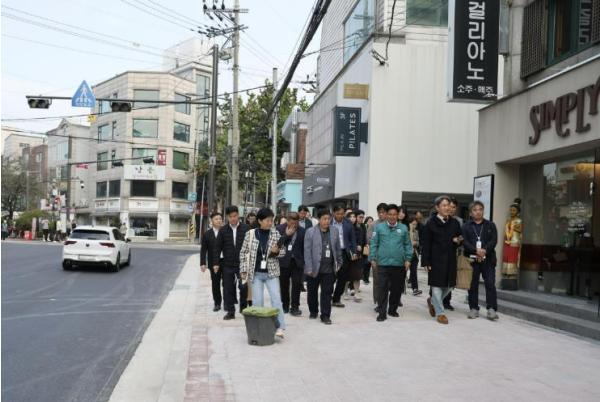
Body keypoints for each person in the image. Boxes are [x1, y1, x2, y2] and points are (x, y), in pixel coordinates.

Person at [239, 208, 286, 339]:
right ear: (260, 221)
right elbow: (243, 253)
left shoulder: (275, 234)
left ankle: (280, 327)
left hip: (272, 273)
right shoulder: (250, 234)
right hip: (256, 274)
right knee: (257, 301)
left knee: (276, 299)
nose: (270, 223)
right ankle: (259, 327)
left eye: (271, 220)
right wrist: (243, 270)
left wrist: (277, 251)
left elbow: (283, 252)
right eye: (267, 220)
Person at [421, 195, 463, 325]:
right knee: (436, 286)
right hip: (435, 259)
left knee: (450, 286)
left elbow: (460, 237)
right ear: (437, 207)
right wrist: (426, 261)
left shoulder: (455, 223)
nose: (447, 208)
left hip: (450, 259)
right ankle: (440, 313)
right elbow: (426, 244)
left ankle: (433, 301)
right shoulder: (430, 223)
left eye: (448, 205)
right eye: (444, 205)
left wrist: (458, 240)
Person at [369, 204, 413, 322]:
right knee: (382, 288)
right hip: (383, 263)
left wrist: (408, 259)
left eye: (394, 214)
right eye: (390, 214)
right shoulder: (379, 228)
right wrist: (373, 258)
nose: (392, 217)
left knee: (396, 289)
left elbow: (407, 245)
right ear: (386, 215)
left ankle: (392, 310)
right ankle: (382, 312)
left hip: (399, 264)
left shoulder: (403, 228)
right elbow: (374, 244)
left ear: (398, 215)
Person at [304, 209, 343, 325]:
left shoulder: (334, 231)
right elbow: (307, 251)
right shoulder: (310, 232)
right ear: (319, 219)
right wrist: (309, 267)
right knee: (312, 292)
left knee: (327, 293)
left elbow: (337, 248)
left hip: (329, 269)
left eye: (328, 219)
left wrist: (339, 262)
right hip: (314, 268)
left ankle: (325, 315)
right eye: (324, 219)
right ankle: (313, 311)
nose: (327, 221)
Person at [462, 201, 499, 320]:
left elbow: (494, 240)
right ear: (470, 213)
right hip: (472, 260)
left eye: (480, 209)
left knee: (490, 283)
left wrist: (484, 250)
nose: (478, 212)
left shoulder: (490, 225)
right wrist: (475, 250)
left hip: (488, 259)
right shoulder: (466, 226)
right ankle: (474, 308)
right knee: (472, 285)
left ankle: (491, 309)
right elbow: (464, 242)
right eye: (475, 210)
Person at [213, 206, 250, 320]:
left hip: (242, 264)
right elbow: (217, 247)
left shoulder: (246, 228)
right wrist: (216, 263)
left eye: (235, 216)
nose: (233, 218)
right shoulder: (223, 230)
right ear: (227, 217)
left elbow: (251, 245)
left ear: (238, 215)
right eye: (231, 217)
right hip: (227, 264)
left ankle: (243, 308)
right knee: (228, 288)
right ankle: (230, 311)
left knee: (243, 287)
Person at [276, 212, 305, 316]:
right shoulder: (279, 229)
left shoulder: (302, 231)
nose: (294, 225)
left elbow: (304, 247)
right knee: (284, 285)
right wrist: (286, 235)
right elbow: (276, 245)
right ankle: (285, 305)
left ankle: (295, 307)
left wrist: (304, 262)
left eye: (296, 223)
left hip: (297, 262)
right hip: (283, 261)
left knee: (297, 284)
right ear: (287, 221)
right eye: (292, 223)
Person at [331, 205, 358, 308]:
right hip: (331, 252)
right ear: (333, 213)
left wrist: (354, 252)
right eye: (338, 213)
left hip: (344, 252)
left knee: (342, 277)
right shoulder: (328, 222)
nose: (340, 216)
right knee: (330, 277)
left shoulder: (348, 223)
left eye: (342, 214)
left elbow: (352, 238)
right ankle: (327, 296)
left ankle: (336, 299)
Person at [201, 212, 225, 312]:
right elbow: (203, 250)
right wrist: (203, 263)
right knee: (215, 283)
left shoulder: (226, 232)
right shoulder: (207, 234)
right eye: (216, 219)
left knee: (227, 283)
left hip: (226, 261)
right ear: (212, 221)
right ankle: (217, 303)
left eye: (220, 219)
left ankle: (228, 302)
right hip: (213, 262)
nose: (219, 220)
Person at [367, 203, 388, 310]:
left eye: (383, 212)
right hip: (377, 257)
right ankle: (379, 302)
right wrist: (372, 258)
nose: (381, 214)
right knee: (377, 281)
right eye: (379, 212)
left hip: (390, 258)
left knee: (388, 281)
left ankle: (388, 301)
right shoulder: (373, 225)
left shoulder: (392, 224)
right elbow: (369, 240)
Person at [344, 211, 364, 302]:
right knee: (346, 275)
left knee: (357, 275)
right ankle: (345, 292)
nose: (352, 218)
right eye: (350, 217)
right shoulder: (344, 228)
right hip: (347, 254)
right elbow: (345, 241)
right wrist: (353, 247)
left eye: (354, 216)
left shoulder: (359, 228)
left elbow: (361, 240)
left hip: (358, 254)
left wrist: (361, 246)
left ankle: (356, 293)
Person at [408, 215, 423, 296]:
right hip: (406, 255)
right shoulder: (405, 231)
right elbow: (407, 242)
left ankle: (415, 289)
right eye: (413, 224)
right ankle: (400, 287)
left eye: (415, 224)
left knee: (414, 272)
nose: (414, 226)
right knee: (402, 272)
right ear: (409, 224)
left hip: (414, 254)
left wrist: (415, 243)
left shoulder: (416, 232)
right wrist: (410, 231)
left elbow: (418, 242)